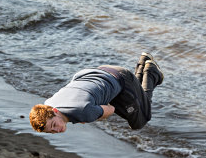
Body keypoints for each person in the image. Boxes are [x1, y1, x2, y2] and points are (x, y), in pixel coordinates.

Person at [29, 53, 164, 133]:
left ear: (55, 111)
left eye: (53, 125)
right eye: (51, 131)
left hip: (121, 80)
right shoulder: (47, 104)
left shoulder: (83, 113)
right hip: (96, 73)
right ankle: (143, 61)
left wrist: (92, 115)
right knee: (136, 103)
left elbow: (110, 109)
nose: (56, 130)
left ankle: (151, 71)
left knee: (140, 119)